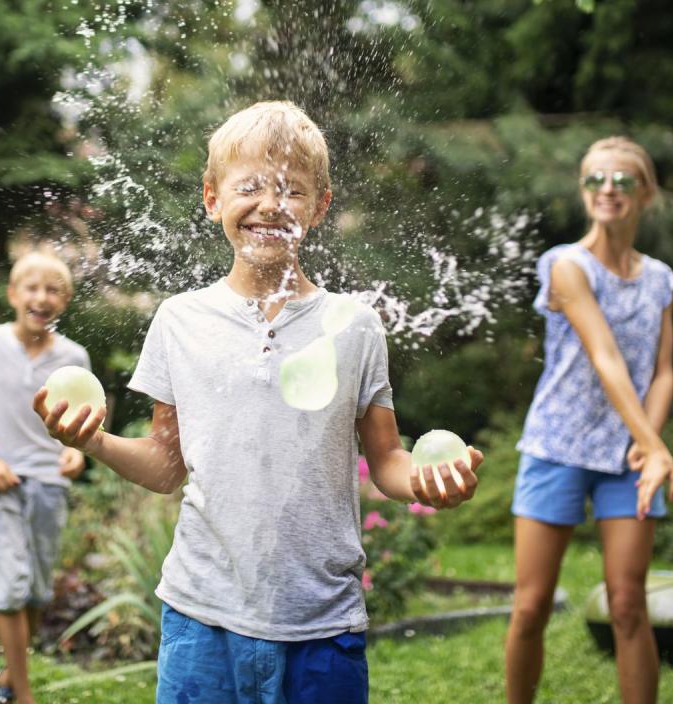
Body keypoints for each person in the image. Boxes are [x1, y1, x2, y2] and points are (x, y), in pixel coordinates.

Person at [34, 100, 483, 704]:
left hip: (322, 623)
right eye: (249, 187)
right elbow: (167, 465)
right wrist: (91, 440)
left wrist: (429, 479)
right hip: (202, 619)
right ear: (213, 198)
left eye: (292, 190)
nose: (271, 205)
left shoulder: (354, 326)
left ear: (319, 206)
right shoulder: (180, 320)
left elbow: (385, 462)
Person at [505, 137, 673, 704]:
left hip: (629, 456)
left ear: (645, 194)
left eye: (622, 180)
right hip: (556, 445)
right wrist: (653, 444)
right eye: (595, 179)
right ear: (584, 191)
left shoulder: (660, 280)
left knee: (628, 603)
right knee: (530, 605)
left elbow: (663, 372)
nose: (608, 189)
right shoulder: (565, 265)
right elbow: (604, 356)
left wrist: (645, 445)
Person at [0, 250, 91, 704]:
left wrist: (75, 455)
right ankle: (23, 695)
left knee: (33, 590)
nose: (42, 297)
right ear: (14, 295)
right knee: (10, 585)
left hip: (49, 484)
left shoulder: (74, 356)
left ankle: (5, 680)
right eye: (32, 288)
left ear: (65, 301)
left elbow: (81, 427)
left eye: (53, 290)